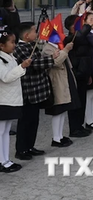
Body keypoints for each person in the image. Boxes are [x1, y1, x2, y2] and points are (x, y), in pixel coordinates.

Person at [13, 22, 56, 161]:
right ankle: (21, 149)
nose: (36, 34)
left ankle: (30, 146)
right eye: (34, 31)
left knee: (34, 120)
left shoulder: (32, 45)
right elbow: (34, 64)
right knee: (25, 121)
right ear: (26, 35)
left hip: (37, 90)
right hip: (28, 91)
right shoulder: (20, 49)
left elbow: (38, 59)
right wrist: (52, 59)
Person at [0, 28, 31, 173]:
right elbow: (6, 77)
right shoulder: (0, 59)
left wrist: (20, 67)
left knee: (6, 131)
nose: (14, 45)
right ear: (1, 45)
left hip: (10, 99)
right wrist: (21, 67)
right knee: (1, 131)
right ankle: (2, 161)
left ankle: (6, 159)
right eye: (11, 42)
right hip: (3, 101)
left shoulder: (10, 56)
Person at [43, 38, 77, 148]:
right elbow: (56, 62)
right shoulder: (47, 49)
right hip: (56, 82)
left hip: (64, 80)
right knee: (57, 110)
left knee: (63, 109)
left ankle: (60, 135)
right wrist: (66, 50)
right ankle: (56, 138)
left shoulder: (59, 46)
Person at [64, 16, 93, 138]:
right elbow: (80, 36)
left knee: (82, 100)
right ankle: (74, 128)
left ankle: (80, 125)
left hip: (84, 71)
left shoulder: (82, 37)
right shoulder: (70, 39)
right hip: (75, 72)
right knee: (75, 103)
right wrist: (88, 24)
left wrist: (89, 74)